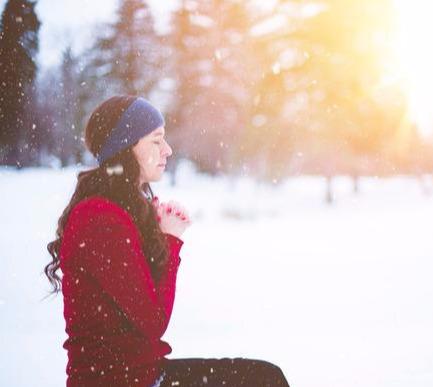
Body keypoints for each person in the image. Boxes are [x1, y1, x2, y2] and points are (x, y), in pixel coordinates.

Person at [44, 95, 290, 387]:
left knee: (264, 377)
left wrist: (159, 236)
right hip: (121, 381)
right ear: (127, 146)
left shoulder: (120, 210)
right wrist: (170, 240)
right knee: (263, 381)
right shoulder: (100, 217)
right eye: (156, 141)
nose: (168, 150)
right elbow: (152, 321)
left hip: (143, 374)